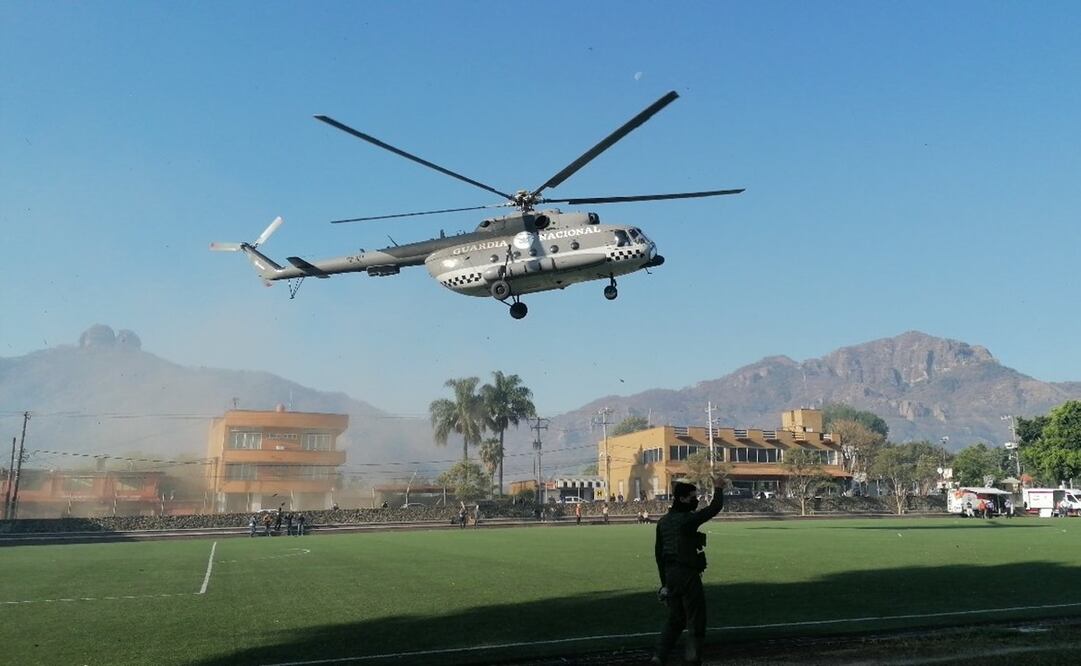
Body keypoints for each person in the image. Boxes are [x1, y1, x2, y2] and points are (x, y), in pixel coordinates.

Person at [651, 480, 724, 666]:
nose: (696, 500)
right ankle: (692, 659)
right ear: (682, 499)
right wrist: (718, 487)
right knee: (695, 619)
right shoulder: (687, 520)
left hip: (670, 575)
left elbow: (659, 555)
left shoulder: (663, 523)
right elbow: (714, 508)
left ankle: (659, 656)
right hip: (687, 574)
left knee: (676, 619)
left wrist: (664, 584)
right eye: (693, 497)